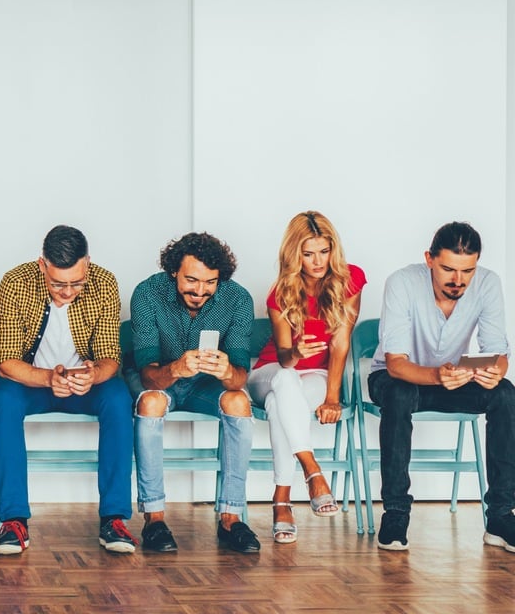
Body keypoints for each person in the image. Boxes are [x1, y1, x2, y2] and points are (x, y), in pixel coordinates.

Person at [0, 225, 137, 555]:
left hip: (85, 384)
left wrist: (95, 373)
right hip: (32, 381)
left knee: (117, 398)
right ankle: (14, 521)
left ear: (88, 263)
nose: (68, 291)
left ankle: (113, 519)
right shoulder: (15, 283)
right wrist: (46, 379)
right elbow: (7, 361)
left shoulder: (105, 282)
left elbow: (111, 355)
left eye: (76, 282)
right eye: (58, 283)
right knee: (2, 398)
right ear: (42, 266)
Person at [368, 222, 515, 552]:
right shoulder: (402, 282)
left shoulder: (488, 283)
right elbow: (395, 363)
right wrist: (437, 376)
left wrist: (494, 371)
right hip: (395, 380)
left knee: (505, 392)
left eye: (467, 271)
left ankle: (502, 517)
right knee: (399, 392)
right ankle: (395, 513)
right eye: (449, 268)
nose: (458, 280)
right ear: (429, 259)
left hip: (452, 378)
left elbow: (497, 351)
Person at [129, 232, 259, 553]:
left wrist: (228, 370)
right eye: (191, 280)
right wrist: (176, 368)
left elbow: (239, 378)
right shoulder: (147, 294)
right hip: (161, 380)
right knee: (150, 404)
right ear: (174, 270)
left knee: (239, 401)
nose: (199, 291)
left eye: (210, 283)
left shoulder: (237, 299)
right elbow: (147, 376)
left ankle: (231, 518)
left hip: (206, 385)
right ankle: (154, 519)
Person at [246, 212, 363, 544]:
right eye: (308, 253)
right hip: (269, 372)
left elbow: (341, 343)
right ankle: (312, 471)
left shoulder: (351, 279)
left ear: (332, 250)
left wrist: (333, 397)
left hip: (315, 376)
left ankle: (281, 500)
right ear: (294, 254)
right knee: (283, 382)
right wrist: (296, 352)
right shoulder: (281, 291)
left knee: (278, 405)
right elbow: (283, 357)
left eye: (323, 251)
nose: (317, 261)